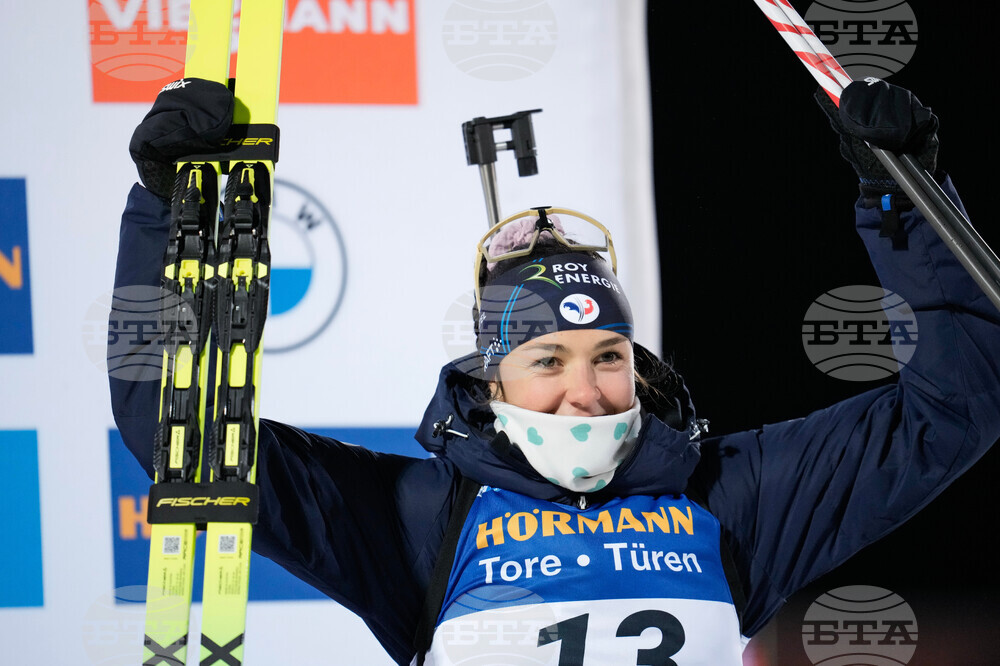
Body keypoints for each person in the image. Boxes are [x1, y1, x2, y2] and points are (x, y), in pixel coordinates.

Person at [111, 77, 1000, 664]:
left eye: (608, 357)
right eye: (548, 361)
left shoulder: (731, 494)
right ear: (491, 382)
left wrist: (904, 198)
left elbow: (958, 407)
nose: (587, 390)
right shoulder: (418, 515)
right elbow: (180, 434)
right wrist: (168, 209)